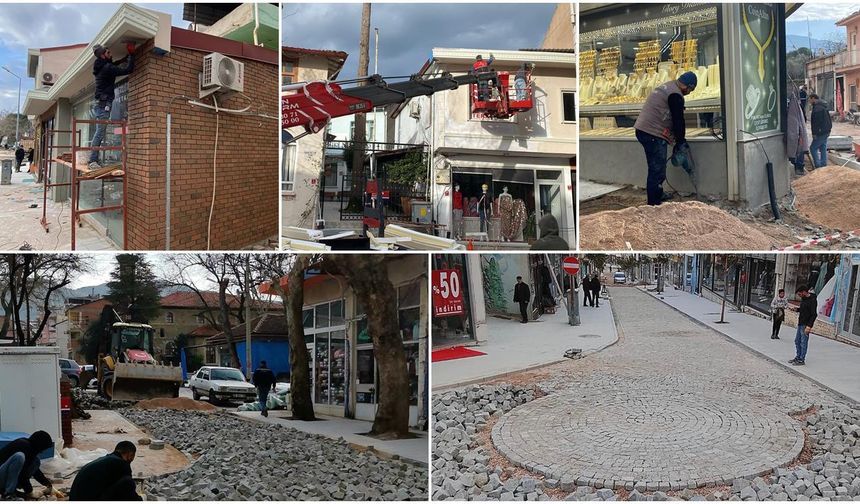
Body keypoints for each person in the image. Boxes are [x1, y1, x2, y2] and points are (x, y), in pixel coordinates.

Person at [633, 71, 697, 205]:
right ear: (688, 87)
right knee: (657, 168)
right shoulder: (675, 95)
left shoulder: (669, 86)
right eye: (690, 90)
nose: (689, 93)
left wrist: (676, 139)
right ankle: (653, 203)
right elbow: (678, 120)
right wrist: (680, 141)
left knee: (657, 165)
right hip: (651, 133)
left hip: (644, 130)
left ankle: (658, 193)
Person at [89, 43, 135, 170]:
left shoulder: (101, 66)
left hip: (101, 104)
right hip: (104, 104)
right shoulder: (107, 68)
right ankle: (92, 161)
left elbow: (113, 64)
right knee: (100, 133)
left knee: (99, 132)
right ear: (102, 56)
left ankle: (94, 159)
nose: (111, 54)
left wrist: (123, 59)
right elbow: (128, 70)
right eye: (108, 53)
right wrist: (131, 54)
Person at [69, 441, 140, 501]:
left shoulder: (106, 460)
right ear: (130, 455)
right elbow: (128, 489)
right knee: (128, 482)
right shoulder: (121, 464)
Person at [0, 431, 55, 500]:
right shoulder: (24, 446)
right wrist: (30, 491)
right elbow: (23, 474)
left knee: (36, 461)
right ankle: (8, 494)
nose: (42, 451)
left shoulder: (30, 448)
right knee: (19, 457)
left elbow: (36, 472)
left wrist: (48, 484)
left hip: (4, 478)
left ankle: (12, 491)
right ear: (40, 446)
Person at [790, 285, 818, 366]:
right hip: (800, 322)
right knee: (797, 341)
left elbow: (814, 314)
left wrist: (809, 326)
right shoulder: (804, 299)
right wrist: (797, 309)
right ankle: (798, 356)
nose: (799, 296)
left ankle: (801, 359)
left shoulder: (812, 300)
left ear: (804, 292)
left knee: (803, 342)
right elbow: (804, 309)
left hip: (806, 324)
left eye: (800, 294)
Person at [809, 94, 832, 168]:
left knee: (813, 148)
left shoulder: (817, 108)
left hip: (821, 132)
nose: (809, 101)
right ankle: (823, 164)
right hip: (826, 130)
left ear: (813, 98)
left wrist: (814, 133)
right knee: (822, 147)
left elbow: (816, 122)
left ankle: (818, 165)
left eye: (810, 99)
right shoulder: (822, 106)